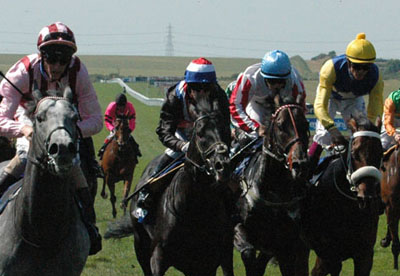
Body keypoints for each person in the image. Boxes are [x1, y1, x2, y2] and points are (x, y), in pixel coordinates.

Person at [0, 22, 103, 254]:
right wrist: (25, 130)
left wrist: (72, 131)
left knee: (74, 164)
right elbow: (0, 121)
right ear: (42, 55)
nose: (57, 66)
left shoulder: (78, 71)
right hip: (29, 118)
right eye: (52, 58)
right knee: (24, 154)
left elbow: (96, 120)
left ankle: (89, 223)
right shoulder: (22, 72)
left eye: (63, 60)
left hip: (63, 122)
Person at [133, 57, 231, 221]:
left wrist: (222, 146)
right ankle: (145, 198)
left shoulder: (219, 96)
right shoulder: (175, 95)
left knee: (231, 172)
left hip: (210, 140)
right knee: (159, 169)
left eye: (206, 88)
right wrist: (181, 145)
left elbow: (225, 127)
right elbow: (163, 131)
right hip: (182, 136)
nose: (201, 93)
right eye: (196, 88)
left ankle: (233, 210)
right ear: (188, 86)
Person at [309, 33, 384, 164]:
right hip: (331, 98)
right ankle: (308, 169)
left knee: (363, 135)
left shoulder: (376, 77)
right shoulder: (331, 68)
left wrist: (367, 129)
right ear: (348, 63)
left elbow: (375, 109)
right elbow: (320, 106)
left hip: (353, 100)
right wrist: (332, 129)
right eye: (356, 66)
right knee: (324, 135)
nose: (360, 71)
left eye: (365, 67)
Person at [228, 49, 306, 153]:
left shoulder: (295, 79)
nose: (277, 86)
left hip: (282, 108)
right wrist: (255, 127)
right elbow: (235, 105)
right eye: (272, 81)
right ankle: (235, 158)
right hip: (256, 105)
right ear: (264, 76)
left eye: (281, 81)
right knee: (253, 137)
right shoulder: (251, 76)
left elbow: (300, 109)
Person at [98, 92, 141, 160]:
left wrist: (130, 129)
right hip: (115, 125)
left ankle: (136, 151)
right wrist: (112, 129)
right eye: (119, 106)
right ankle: (102, 150)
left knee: (130, 139)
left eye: (122, 106)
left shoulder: (130, 106)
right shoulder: (111, 106)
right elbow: (107, 120)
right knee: (110, 137)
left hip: (125, 125)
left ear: (125, 104)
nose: (121, 108)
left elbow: (132, 119)